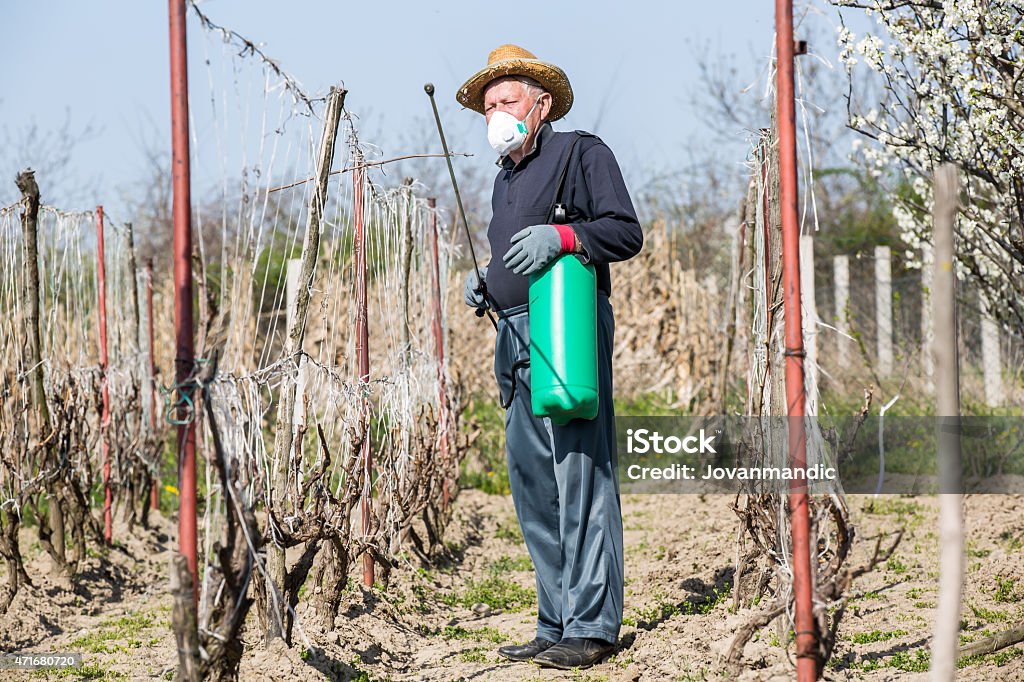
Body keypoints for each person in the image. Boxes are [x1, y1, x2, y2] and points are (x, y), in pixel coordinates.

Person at [457, 44, 643, 670]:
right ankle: (555, 620)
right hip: (511, 338)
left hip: (566, 327)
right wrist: (487, 279)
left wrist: (565, 236)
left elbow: (624, 230)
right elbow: (514, 258)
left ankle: (592, 624)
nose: (495, 115)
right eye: (487, 108)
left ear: (539, 105)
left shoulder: (580, 153)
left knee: (581, 475)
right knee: (535, 485)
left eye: (505, 102)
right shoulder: (503, 179)